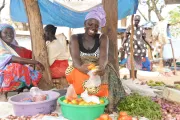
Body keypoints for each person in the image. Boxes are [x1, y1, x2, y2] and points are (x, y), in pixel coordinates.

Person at [65, 6, 125, 113]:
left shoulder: (102, 38)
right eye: (90, 24)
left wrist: (100, 68)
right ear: (85, 24)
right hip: (80, 64)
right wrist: (81, 68)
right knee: (74, 72)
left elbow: (103, 57)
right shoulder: (75, 38)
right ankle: (79, 99)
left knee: (106, 73)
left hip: (97, 65)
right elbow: (75, 59)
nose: (93, 27)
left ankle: (103, 102)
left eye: (96, 25)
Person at [0, 24, 44, 99]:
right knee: (14, 67)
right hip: (2, 74)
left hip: (10, 74)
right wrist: (34, 62)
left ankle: (23, 88)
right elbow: (10, 58)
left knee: (29, 70)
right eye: (5, 32)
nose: (9, 35)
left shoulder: (15, 47)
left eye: (11, 33)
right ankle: (4, 93)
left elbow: (31, 53)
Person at [122, 15, 153, 79]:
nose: (136, 21)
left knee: (136, 63)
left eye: (138, 20)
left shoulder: (141, 28)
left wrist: (150, 46)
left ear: (139, 21)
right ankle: (131, 77)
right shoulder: (130, 27)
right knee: (130, 62)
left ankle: (135, 77)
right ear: (133, 20)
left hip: (138, 49)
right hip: (130, 48)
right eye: (135, 20)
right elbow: (125, 37)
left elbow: (144, 38)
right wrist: (122, 44)